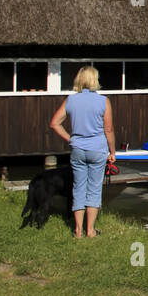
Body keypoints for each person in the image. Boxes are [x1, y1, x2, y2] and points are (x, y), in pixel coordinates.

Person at [48, 65, 115, 239]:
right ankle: (90, 230)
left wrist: (70, 139)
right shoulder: (103, 101)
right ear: (95, 80)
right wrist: (112, 151)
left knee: (78, 188)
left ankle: (77, 230)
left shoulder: (71, 100)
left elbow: (55, 123)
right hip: (98, 149)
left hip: (78, 149)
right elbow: (108, 129)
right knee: (93, 189)